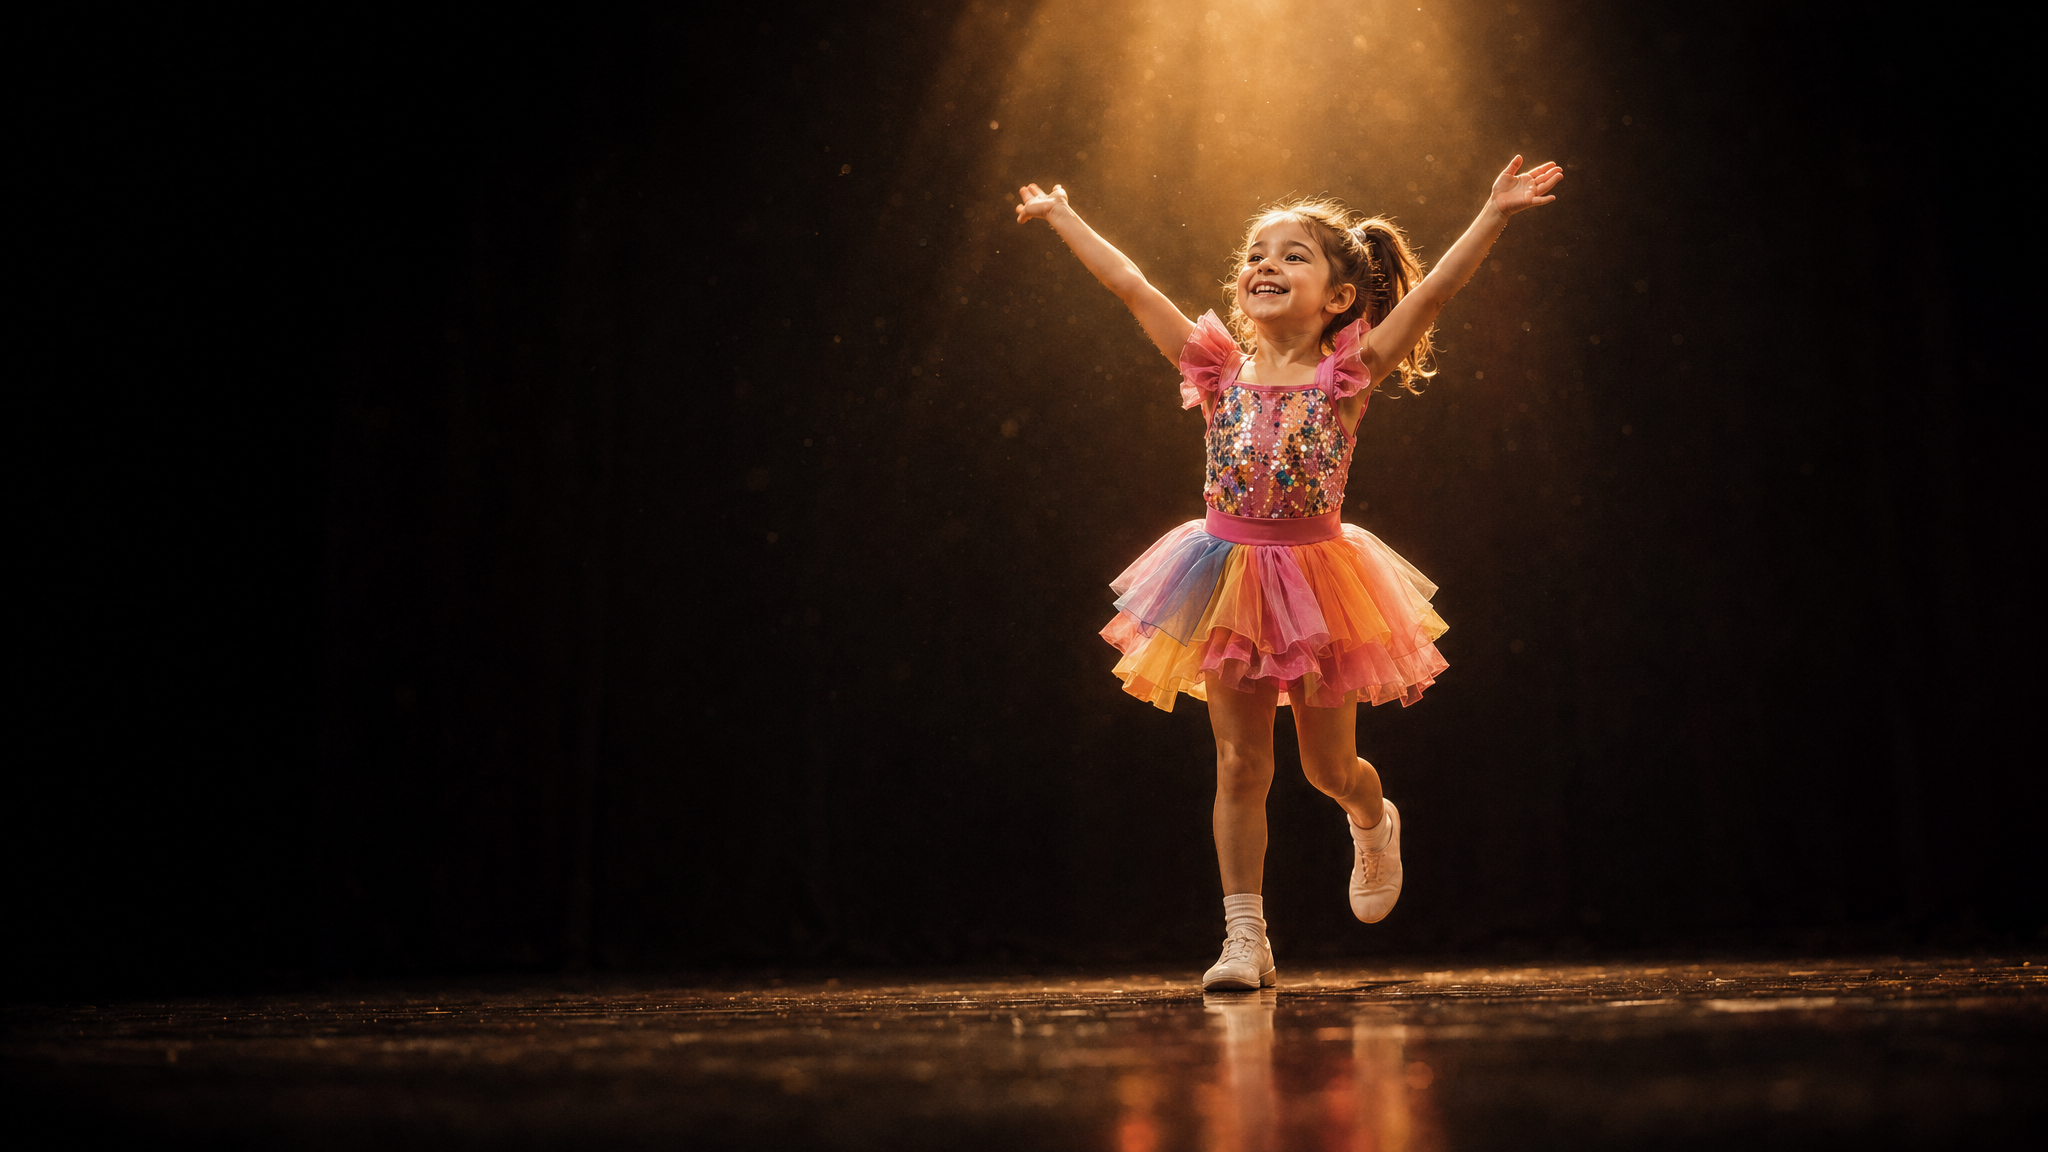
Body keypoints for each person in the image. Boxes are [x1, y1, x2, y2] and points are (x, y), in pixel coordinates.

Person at [1014, 156, 1564, 991]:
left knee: (1325, 770)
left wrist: (1493, 213)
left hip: (1319, 586)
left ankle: (1374, 819)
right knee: (1241, 764)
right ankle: (1245, 938)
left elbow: (1436, 295)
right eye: (1258, 252)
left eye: (1294, 255)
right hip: (1224, 578)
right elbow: (1130, 286)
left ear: (1339, 297)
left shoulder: (1347, 377)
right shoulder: (1215, 370)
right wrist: (1063, 216)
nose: (1267, 263)